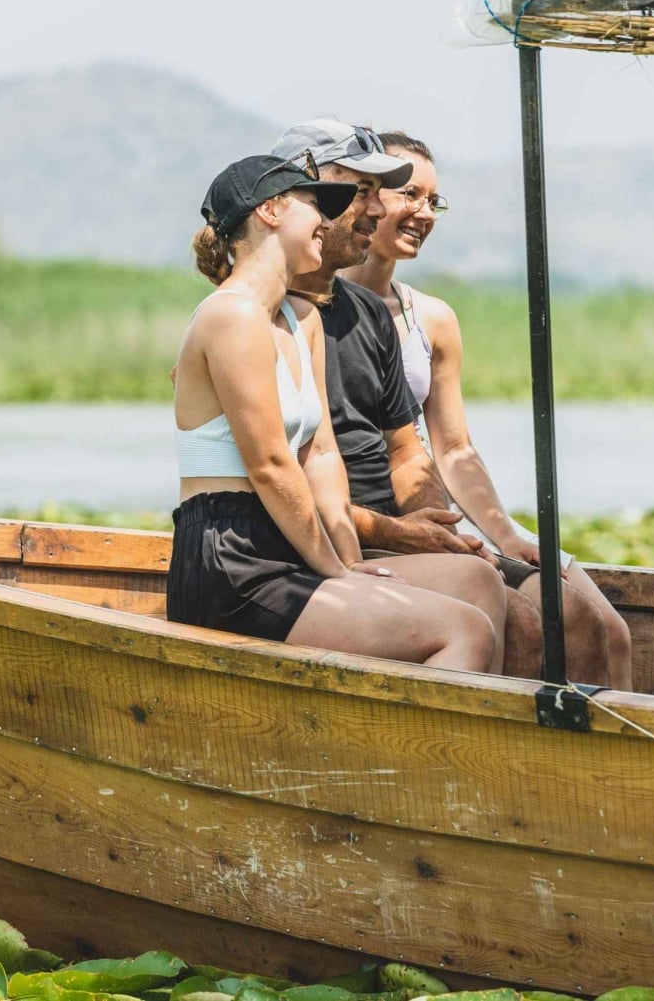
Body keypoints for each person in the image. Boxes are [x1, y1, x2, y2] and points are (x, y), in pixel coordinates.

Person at [272, 117, 614, 685]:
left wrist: (450, 530)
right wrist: (395, 534)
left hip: (391, 530)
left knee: (576, 617)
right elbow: (288, 474)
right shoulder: (260, 316)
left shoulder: (371, 315)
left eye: (432, 199)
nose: (382, 212)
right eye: (372, 195)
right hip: (335, 539)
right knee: (515, 616)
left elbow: (414, 453)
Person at [169, 153, 506, 672]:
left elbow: (321, 455)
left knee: (476, 580)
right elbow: (271, 466)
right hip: (232, 558)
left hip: (294, 544)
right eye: (314, 206)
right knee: (463, 631)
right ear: (272, 212)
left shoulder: (300, 317)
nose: (329, 222)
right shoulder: (231, 316)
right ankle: (418, 752)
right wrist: (338, 572)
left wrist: (349, 559)